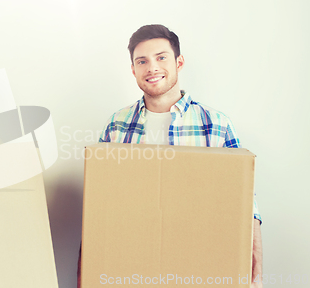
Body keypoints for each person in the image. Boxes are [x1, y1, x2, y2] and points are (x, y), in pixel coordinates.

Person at [78, 24, 263, 288]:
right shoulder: (117, 124)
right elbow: (99, 202)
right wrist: (86, 268)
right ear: (133, 70)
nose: (152, 67)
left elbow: (245, 197)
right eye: (142, 61)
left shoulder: (216, 124)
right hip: (131, 259)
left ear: (179, 62)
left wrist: (254, 252)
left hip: (197, 257)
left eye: (161, 57)